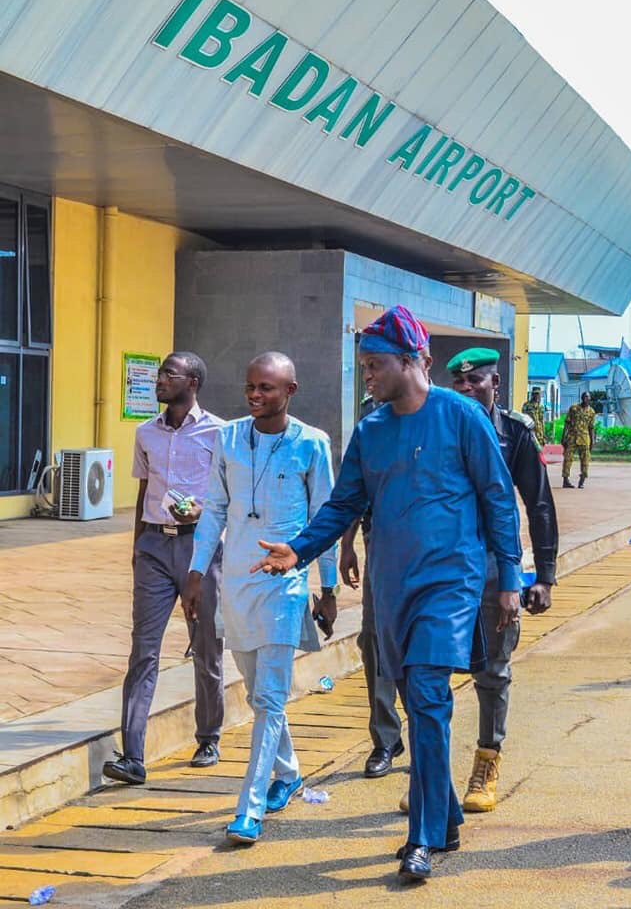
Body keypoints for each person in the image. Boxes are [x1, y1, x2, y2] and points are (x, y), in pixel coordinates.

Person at [250, 306, 522, 883]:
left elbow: (498, 498)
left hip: (452, 583)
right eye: (364, 366)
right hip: (391, 586)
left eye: (374, 365)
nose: (367, 376)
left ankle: (420, 838)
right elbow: (345, 504)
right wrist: (300, 550)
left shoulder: (464, 417)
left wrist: (512, 579)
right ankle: (445, 813)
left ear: (409, 361)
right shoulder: (372, 430)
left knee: (426, 694)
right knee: (415, 702)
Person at [185, 352, 338, 846]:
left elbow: (325, 521)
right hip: (236, 581)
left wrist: (329, 588)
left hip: (284, 584)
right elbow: (212, 509)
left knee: (269, 698)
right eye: (250, 386)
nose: (255, 395)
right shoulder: (227, 437)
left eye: (267, 388)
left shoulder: (312, 444)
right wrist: (194, 571)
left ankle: (248, 810)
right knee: (257, 694)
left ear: (290, 391)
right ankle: (289, 773)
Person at [444, 347, 558, 813]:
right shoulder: (440, 423)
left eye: (477, 381)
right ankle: (431, 776)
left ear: (496, 383)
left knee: (492, 668)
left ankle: (487, 762)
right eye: (460, 383)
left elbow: (540, 504)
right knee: (428, 670)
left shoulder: (514, 432)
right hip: (446, 561)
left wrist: (544, 576)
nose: (468, 388)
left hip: (495, 563)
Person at [103, 352, 225, 786]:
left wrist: (202, 512)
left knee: (206, 644)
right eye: (159, 374)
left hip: (200, 548)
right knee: (143, 649)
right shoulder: (144, 433)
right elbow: (143, 490)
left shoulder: (219, 433)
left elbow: (228, 496)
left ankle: (209, 736)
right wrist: (138, 544)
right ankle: (132, 755)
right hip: (154, 546)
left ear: (192, 382)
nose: (160, 380)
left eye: (169, 374)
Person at [339, 392, 404, 779]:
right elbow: (354, 491)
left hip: (426, 546)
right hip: (378, 541)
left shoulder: (437, 417)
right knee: (375, 640)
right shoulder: (371, 420)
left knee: (421, 644)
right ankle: (385, 739)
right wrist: (347, 545)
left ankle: (430, 739)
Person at [562, 391, 596, 488]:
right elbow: (567, 423)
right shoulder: (574, 408)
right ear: (582, 398)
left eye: (588, 397)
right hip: (572, 437)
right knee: (568, 459)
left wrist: (592, 441)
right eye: (585, 397)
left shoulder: (591, 412)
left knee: (585, 460)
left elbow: (591, 427)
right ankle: (565, 480)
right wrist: (563, 437)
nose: (586, 399)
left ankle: (582, 481)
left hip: (585, 439)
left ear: (590, 399)